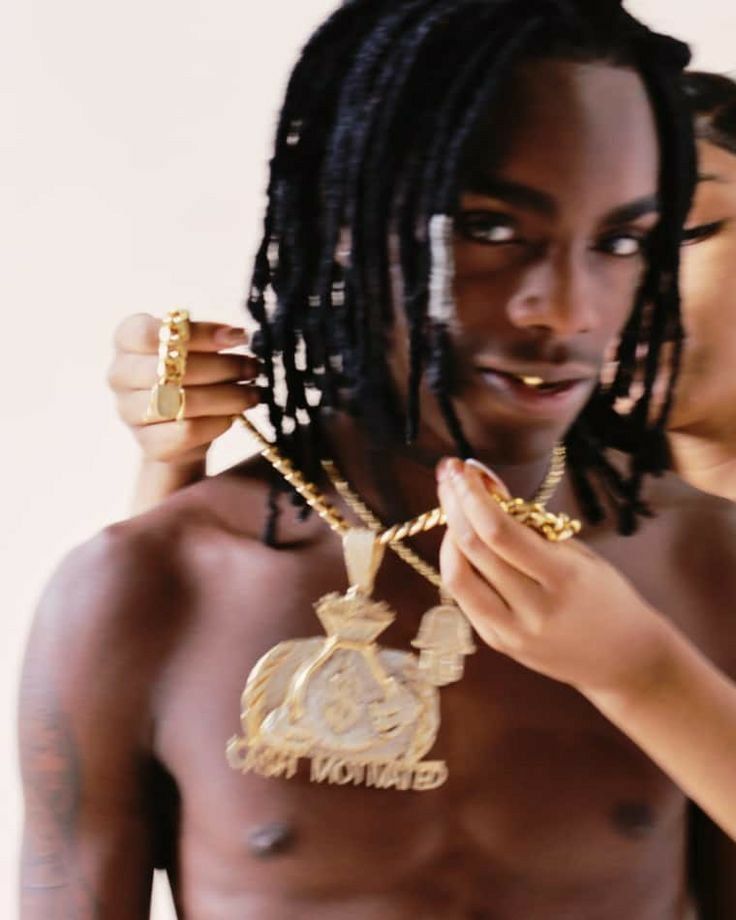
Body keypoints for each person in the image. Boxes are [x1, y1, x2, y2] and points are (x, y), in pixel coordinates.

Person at [20, 2, 732, 917]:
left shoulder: (707, 564)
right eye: (489, 227)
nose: (567, 310)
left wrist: (644, 672)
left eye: (623, 241)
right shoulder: (143, 584)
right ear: (344, 216)